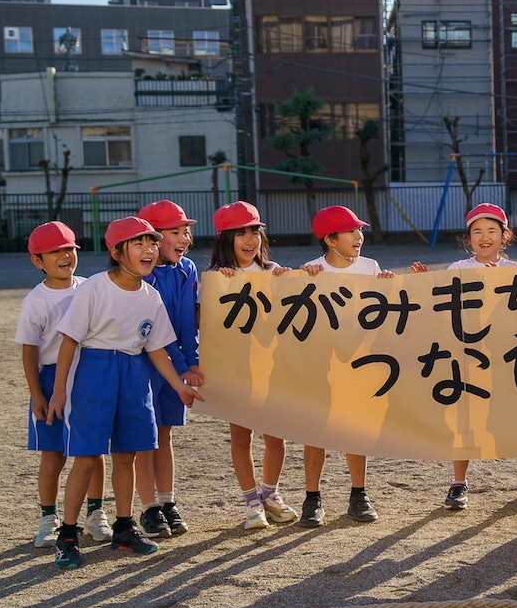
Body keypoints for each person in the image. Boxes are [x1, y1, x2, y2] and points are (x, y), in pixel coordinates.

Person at [45, 217, 202, 569]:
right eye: (138, 244)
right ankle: (67, 535)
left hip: (134, 372)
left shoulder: (151, 296)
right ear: (117, 252)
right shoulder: (95, 288)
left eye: (151, 243)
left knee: (128, 454)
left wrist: (179, 386)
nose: (148, 250)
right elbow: (69, 340)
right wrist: (58, 392)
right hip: (95, 371)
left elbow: (158, 348)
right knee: (87, 456)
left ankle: (124, 527)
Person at [410, 203, 517, 510]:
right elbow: (439, 308)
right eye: (477, 232)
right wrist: (424, 283)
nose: (485, 237)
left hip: (507, 357)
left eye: (492, 231)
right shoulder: (457, 269)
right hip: (467, 356)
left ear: (503, 236)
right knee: (466, 421)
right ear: (468, 238)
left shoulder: (515, 271)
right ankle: (459, 482)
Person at [297, 205, 395, 527]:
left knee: (355, 428)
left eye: (359, 230)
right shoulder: (311, 270)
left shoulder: (370, 267)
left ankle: (358, 494)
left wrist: (388, 286)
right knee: (315, 429)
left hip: (358, 361)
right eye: (351, 231)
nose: (359, 236)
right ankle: (312, 499)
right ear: (330, 240)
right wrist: (294, 280)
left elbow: (384, 312)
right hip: (319, 364)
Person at [14, 221, 107, 547]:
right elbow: (29, 351)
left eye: (69, 249)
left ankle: (96, 515)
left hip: (87, 376)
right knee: (53, 455)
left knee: (92, 452)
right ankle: (48, 519)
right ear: (37, 261)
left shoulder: (88, 288)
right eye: (55, 251)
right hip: (51, 377)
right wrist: (36, 394)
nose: (65, 256)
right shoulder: (35, 301)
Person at [207, 201, 297, 530]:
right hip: (235, 371)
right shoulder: (214, 279)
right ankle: (251, 501)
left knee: (276, 437)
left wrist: (296, 281)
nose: (249, 240)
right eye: (240, 233)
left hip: (272, 367)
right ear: (224, 239)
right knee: (241, 437)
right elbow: (205, 324)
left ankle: (271, 495)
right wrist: (222, 285)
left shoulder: (274, 271)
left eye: (254, 232)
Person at [133, 200, 202, 540]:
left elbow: (188, 321)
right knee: (144, 439)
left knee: (165, 434)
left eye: (185, 231)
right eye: (175, 232)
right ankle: (148, 508)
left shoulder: (187, 268)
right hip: (145, 366)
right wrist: (181, 362)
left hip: (174, 364)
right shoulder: (142, 275)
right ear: (152, 238)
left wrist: (193, 361)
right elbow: (155, 334)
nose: (184, 238)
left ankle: (167, 501)